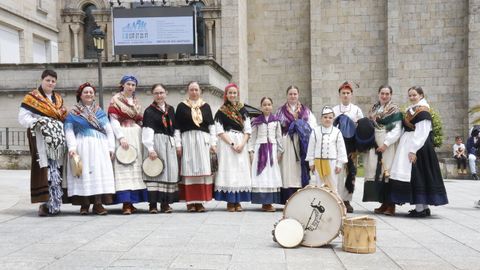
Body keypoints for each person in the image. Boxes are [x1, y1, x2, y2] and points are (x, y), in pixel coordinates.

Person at [389, 86, 449, 217]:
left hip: (419, 147)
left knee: (418, 175)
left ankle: (420, 209)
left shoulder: (423, 111)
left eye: (414, 95)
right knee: (418, 175)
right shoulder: (412, 110)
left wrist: (413, 150)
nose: (412, 97)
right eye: (410, 95)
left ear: (421, 95)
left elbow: (422, 132)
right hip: (411, 144)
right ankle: (423, 207)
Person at [18, 69, 67, 216]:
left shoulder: (58, 98)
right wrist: (39, 121)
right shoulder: (32, 97)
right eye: (48, 80)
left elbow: (62, 115)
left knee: (56, 168)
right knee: (43, 168)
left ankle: (55, 202)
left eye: (53, 81)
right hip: (39, 136)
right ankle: (44, 203)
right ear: (42, 80)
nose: (51, 83)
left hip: (56, 138)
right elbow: (22, 117)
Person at [64, 82, 115, 215]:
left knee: (98, 172)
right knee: (84, 172)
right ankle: (84, 204)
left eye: (91, 92)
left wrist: (111, 147)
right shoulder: (73, 113)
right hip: (82, 146)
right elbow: (69, 131)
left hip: (100, 147)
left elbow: (109, 130)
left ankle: (98, 204)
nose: (89, 94)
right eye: (86, 92)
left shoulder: (99, 112)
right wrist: (72, 147)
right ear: (80, 95)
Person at [108, 75, 148, 215]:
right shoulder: (116, 100)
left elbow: (139, 119)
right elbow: (113, 120)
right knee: (123, 165)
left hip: (135, 134)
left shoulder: (136, 101)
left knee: (135, 167)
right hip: (123, 133)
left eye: (133, 84)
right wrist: (121, 137)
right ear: (122, 85)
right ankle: (125, 202)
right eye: (128, 84)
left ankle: (133, 201)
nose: (131, 87)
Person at [362, 85, 403, 216]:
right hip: (375, 144)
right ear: (378, 94)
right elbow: (370, 125)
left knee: (388, 172)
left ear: (391, 95)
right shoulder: (374, 108)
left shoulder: (394, 109)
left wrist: (385, 144)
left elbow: (397, 129)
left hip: (388, 145)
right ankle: (383, 203)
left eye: (387, 94)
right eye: (382, 93)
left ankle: (391, 205)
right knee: (377, 173)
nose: (384, 96)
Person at [175, 81, 216, 212]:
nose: (194, 92)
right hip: (188, 140)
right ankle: (190, 202)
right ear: (188, 91)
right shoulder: (181, 106)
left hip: (203, 139)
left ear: (200, 91)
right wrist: (178, 144)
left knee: (202, 170)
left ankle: (200, 202)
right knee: (189, 169)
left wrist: (213, 143)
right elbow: (177, 128)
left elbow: (211, 126)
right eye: (191, 90)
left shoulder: (206, 106)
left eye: (196, 90)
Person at [141, 83, 180, 214]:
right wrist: (150, 148)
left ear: (166, 93)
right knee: (155, 172)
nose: (159, 95)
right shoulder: (149, 111)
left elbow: (175, 128)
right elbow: (147, 130)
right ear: (153, 95)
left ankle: (165, 204)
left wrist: (177, 144)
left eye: (161, 93)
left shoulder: (171, 109)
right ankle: (152, 205)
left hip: (169, 143)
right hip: (156, 142)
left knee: (168, 173)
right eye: (156, 93)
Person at [213, 83, 252, 212]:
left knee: (240, 169)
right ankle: (230, 201)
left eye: (234, 93)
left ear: (237, 94)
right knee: (229, 169)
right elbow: (219, 131)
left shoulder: (243, 110)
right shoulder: (221, 111)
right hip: (227, 144)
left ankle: (238, 201)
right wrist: (232, 144)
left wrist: (242, 144)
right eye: (230, 93)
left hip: (241, 142)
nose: (232, 95)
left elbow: (248, 130)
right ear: (226, 94)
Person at [276, 85, 317, 204]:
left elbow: (312, 127)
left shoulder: (306, 111)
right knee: (287, 169)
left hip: (301, 144)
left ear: (298, 95)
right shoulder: (280, 111)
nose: (293, 96)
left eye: (295, 94)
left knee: (300, 169)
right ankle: (287, 196)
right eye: (290, 94)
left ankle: (300, 196)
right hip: (287, 142)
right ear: (287, 95)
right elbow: (277, 129)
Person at [333, 81, 364, 213]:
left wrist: (357, 148)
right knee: (337, 173)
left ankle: (347, 200)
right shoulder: (334, 110)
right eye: (343, 93)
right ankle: (337, 198)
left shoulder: (356, 110)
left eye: (348, 93)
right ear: (339, 95)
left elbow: (361, 129)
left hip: (351, 147)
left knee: (350, 173)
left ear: (351, 95)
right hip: (337, 147)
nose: (345, 95)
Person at [248, 97, 284, 212]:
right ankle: (264, 202)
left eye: (269, 104)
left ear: (272, 106)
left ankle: (269, 202)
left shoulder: (276, 120)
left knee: (271, 175)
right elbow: (252, 137)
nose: (267, 106)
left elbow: (279, 137)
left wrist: (280, 151)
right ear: (261, 106)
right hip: (260, 150)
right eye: (264, 104)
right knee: (262, 175)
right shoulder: (256, 121)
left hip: (272, 150)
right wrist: (251, 151)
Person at [306, 106, 347, 193]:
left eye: (330, 117)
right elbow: (311, 147)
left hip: (332, 163)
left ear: (333, 119)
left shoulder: (337, 132)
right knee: (319, 185)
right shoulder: (315, 131)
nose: (327, 119)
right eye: (325, 117)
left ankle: (333, 204)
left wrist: (339, 164)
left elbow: (341, 149)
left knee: (332, 185)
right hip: (318, 163)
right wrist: (311, 162)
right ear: (321, 118)